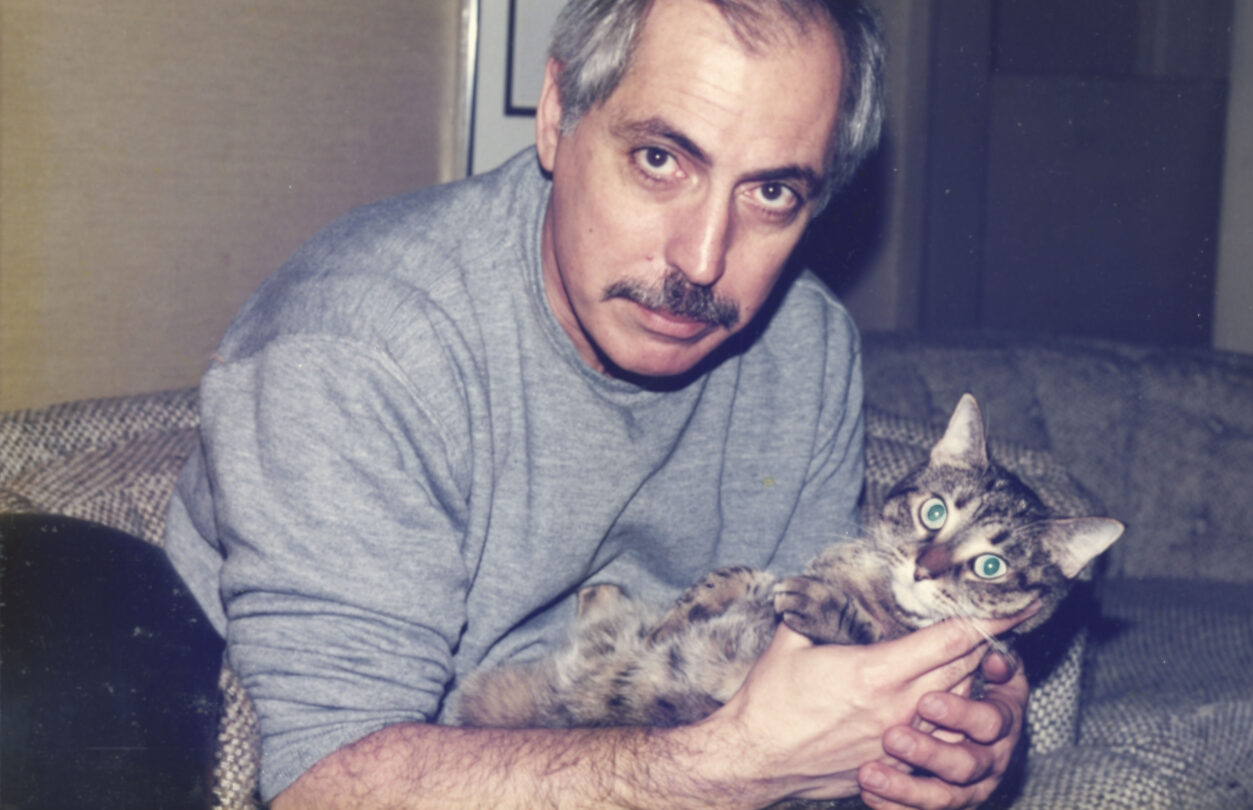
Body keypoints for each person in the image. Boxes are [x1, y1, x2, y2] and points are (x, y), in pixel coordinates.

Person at [162, 0, 1030, 807]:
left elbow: (805, 677)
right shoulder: (359, 346)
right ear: (555, 115)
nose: (700, 258)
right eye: (660, 159)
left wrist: (934, 732)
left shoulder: (807, 347)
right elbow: (326, 784)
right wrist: (735, 762)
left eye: (771, 193)